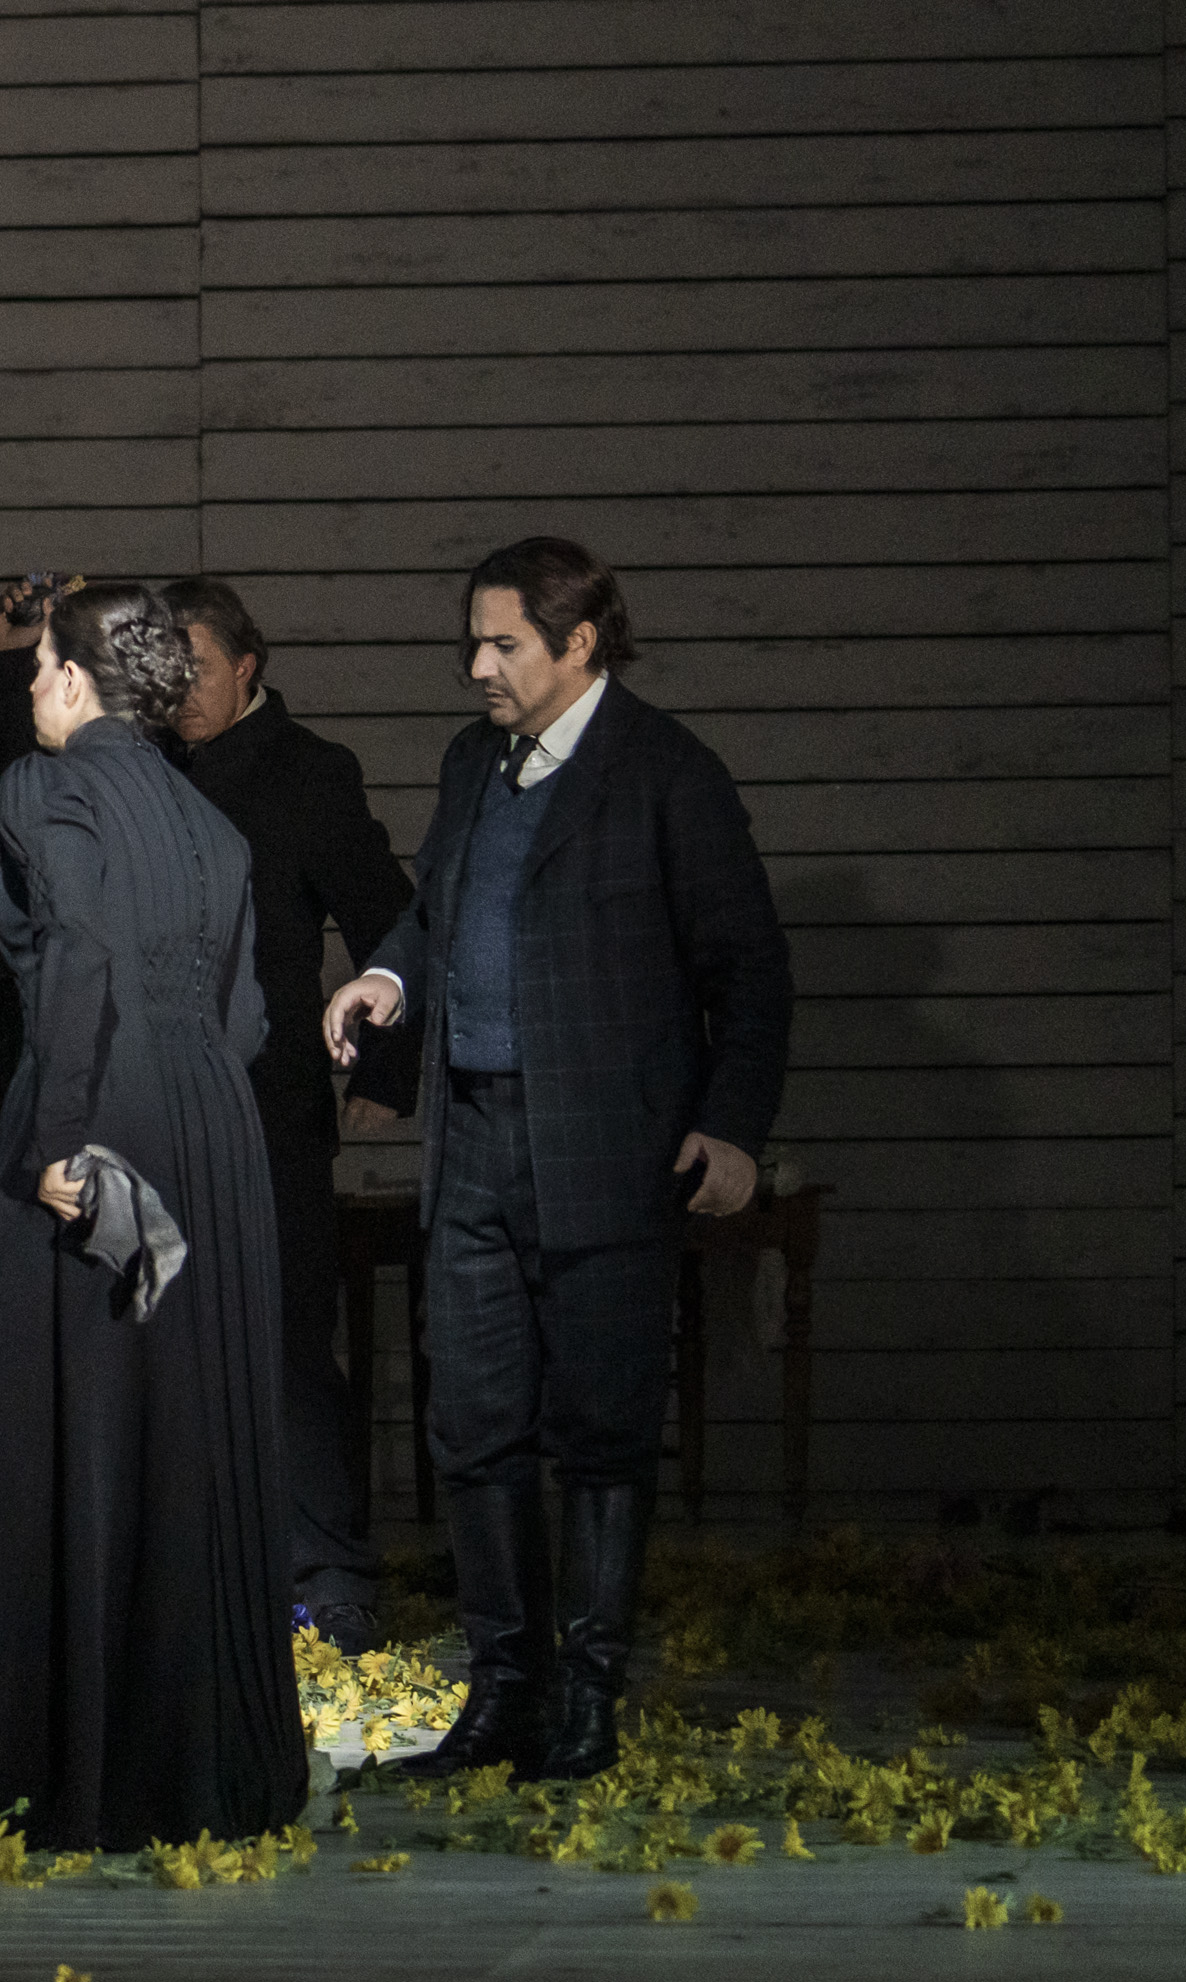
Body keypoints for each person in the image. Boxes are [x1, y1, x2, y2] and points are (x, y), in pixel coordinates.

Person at [326, 538, 790, 1782]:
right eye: (472, 640)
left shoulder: (663, 773)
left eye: (503, 644)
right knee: (472, 1423)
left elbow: (747, 966)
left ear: (578, 642)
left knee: (598, 1427)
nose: (476, 665)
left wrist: (731, 1127)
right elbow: (436, 909)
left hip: (601, 1142)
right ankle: (505, 1688)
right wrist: (384, 972)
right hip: (472, 1134)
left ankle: (586, 1694)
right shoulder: (474, 759)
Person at [0, 583, 305, 1850]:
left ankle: (27, 1761)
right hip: (209, 1129)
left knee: (31, 1429)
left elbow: (85, 953)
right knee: (180, 1438)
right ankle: (196, 1772)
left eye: (39, 663)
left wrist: (62, 1137)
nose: (32, 684)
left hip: (95, 1112)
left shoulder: (45, 789)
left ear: (70, 677)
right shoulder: (205, 818)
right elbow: (249, 1013)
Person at [0, 574, 414, 1632]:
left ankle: (328, 1577)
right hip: (136, 1103)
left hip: (258, 1104)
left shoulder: (309, 774)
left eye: (199, 664)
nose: (178, 685)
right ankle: (177, 1571)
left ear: (247, 665)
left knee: (281, 1337)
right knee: (146, 1332)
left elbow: (383, 914)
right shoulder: (144, 770)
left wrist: (382, 1079)